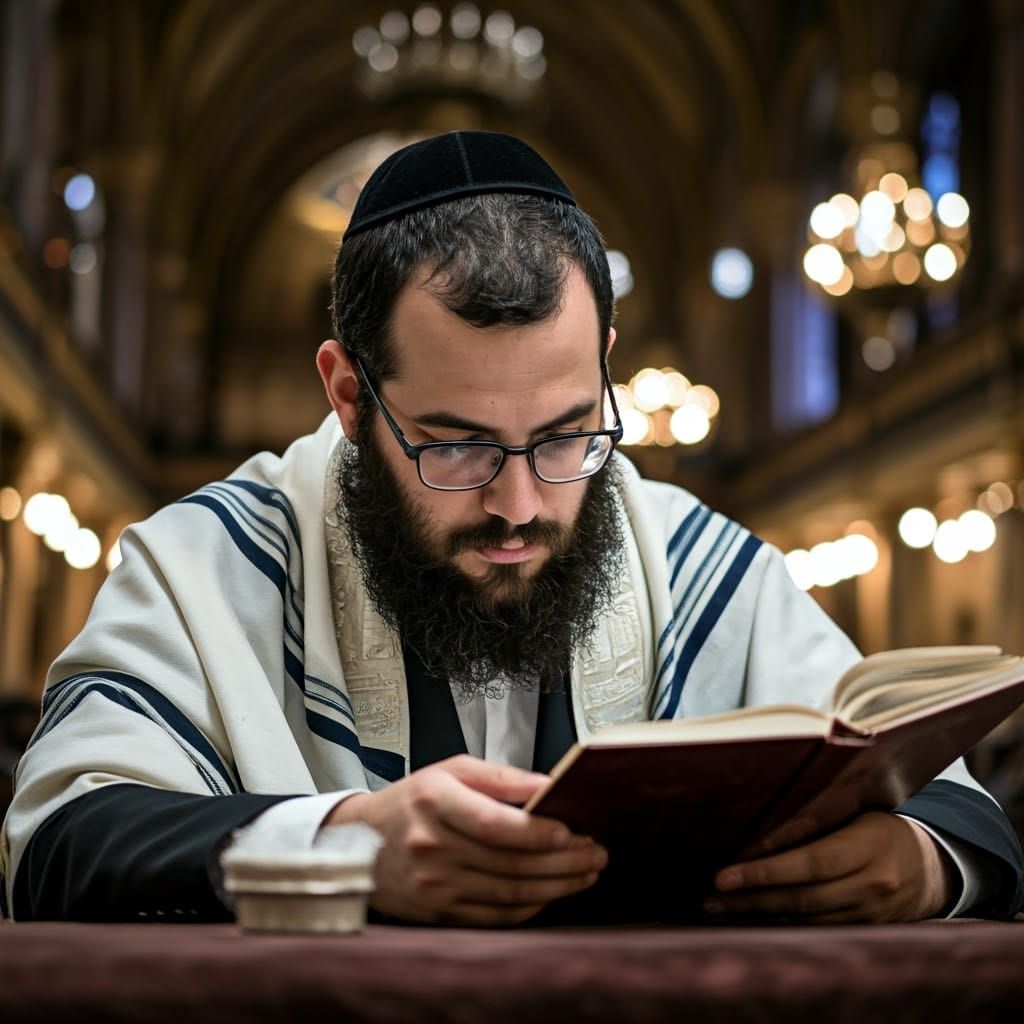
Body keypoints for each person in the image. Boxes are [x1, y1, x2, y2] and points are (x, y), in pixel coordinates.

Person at [2, 132, 1022, 926]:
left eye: (567, 433)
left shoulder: (699, 565)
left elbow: (970, 823)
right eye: (455, 446)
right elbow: (57, 841)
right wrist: (347, 842)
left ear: (607, 366)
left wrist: (915, 866)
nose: (520, 505)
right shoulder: (208, 564)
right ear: (349, 394)